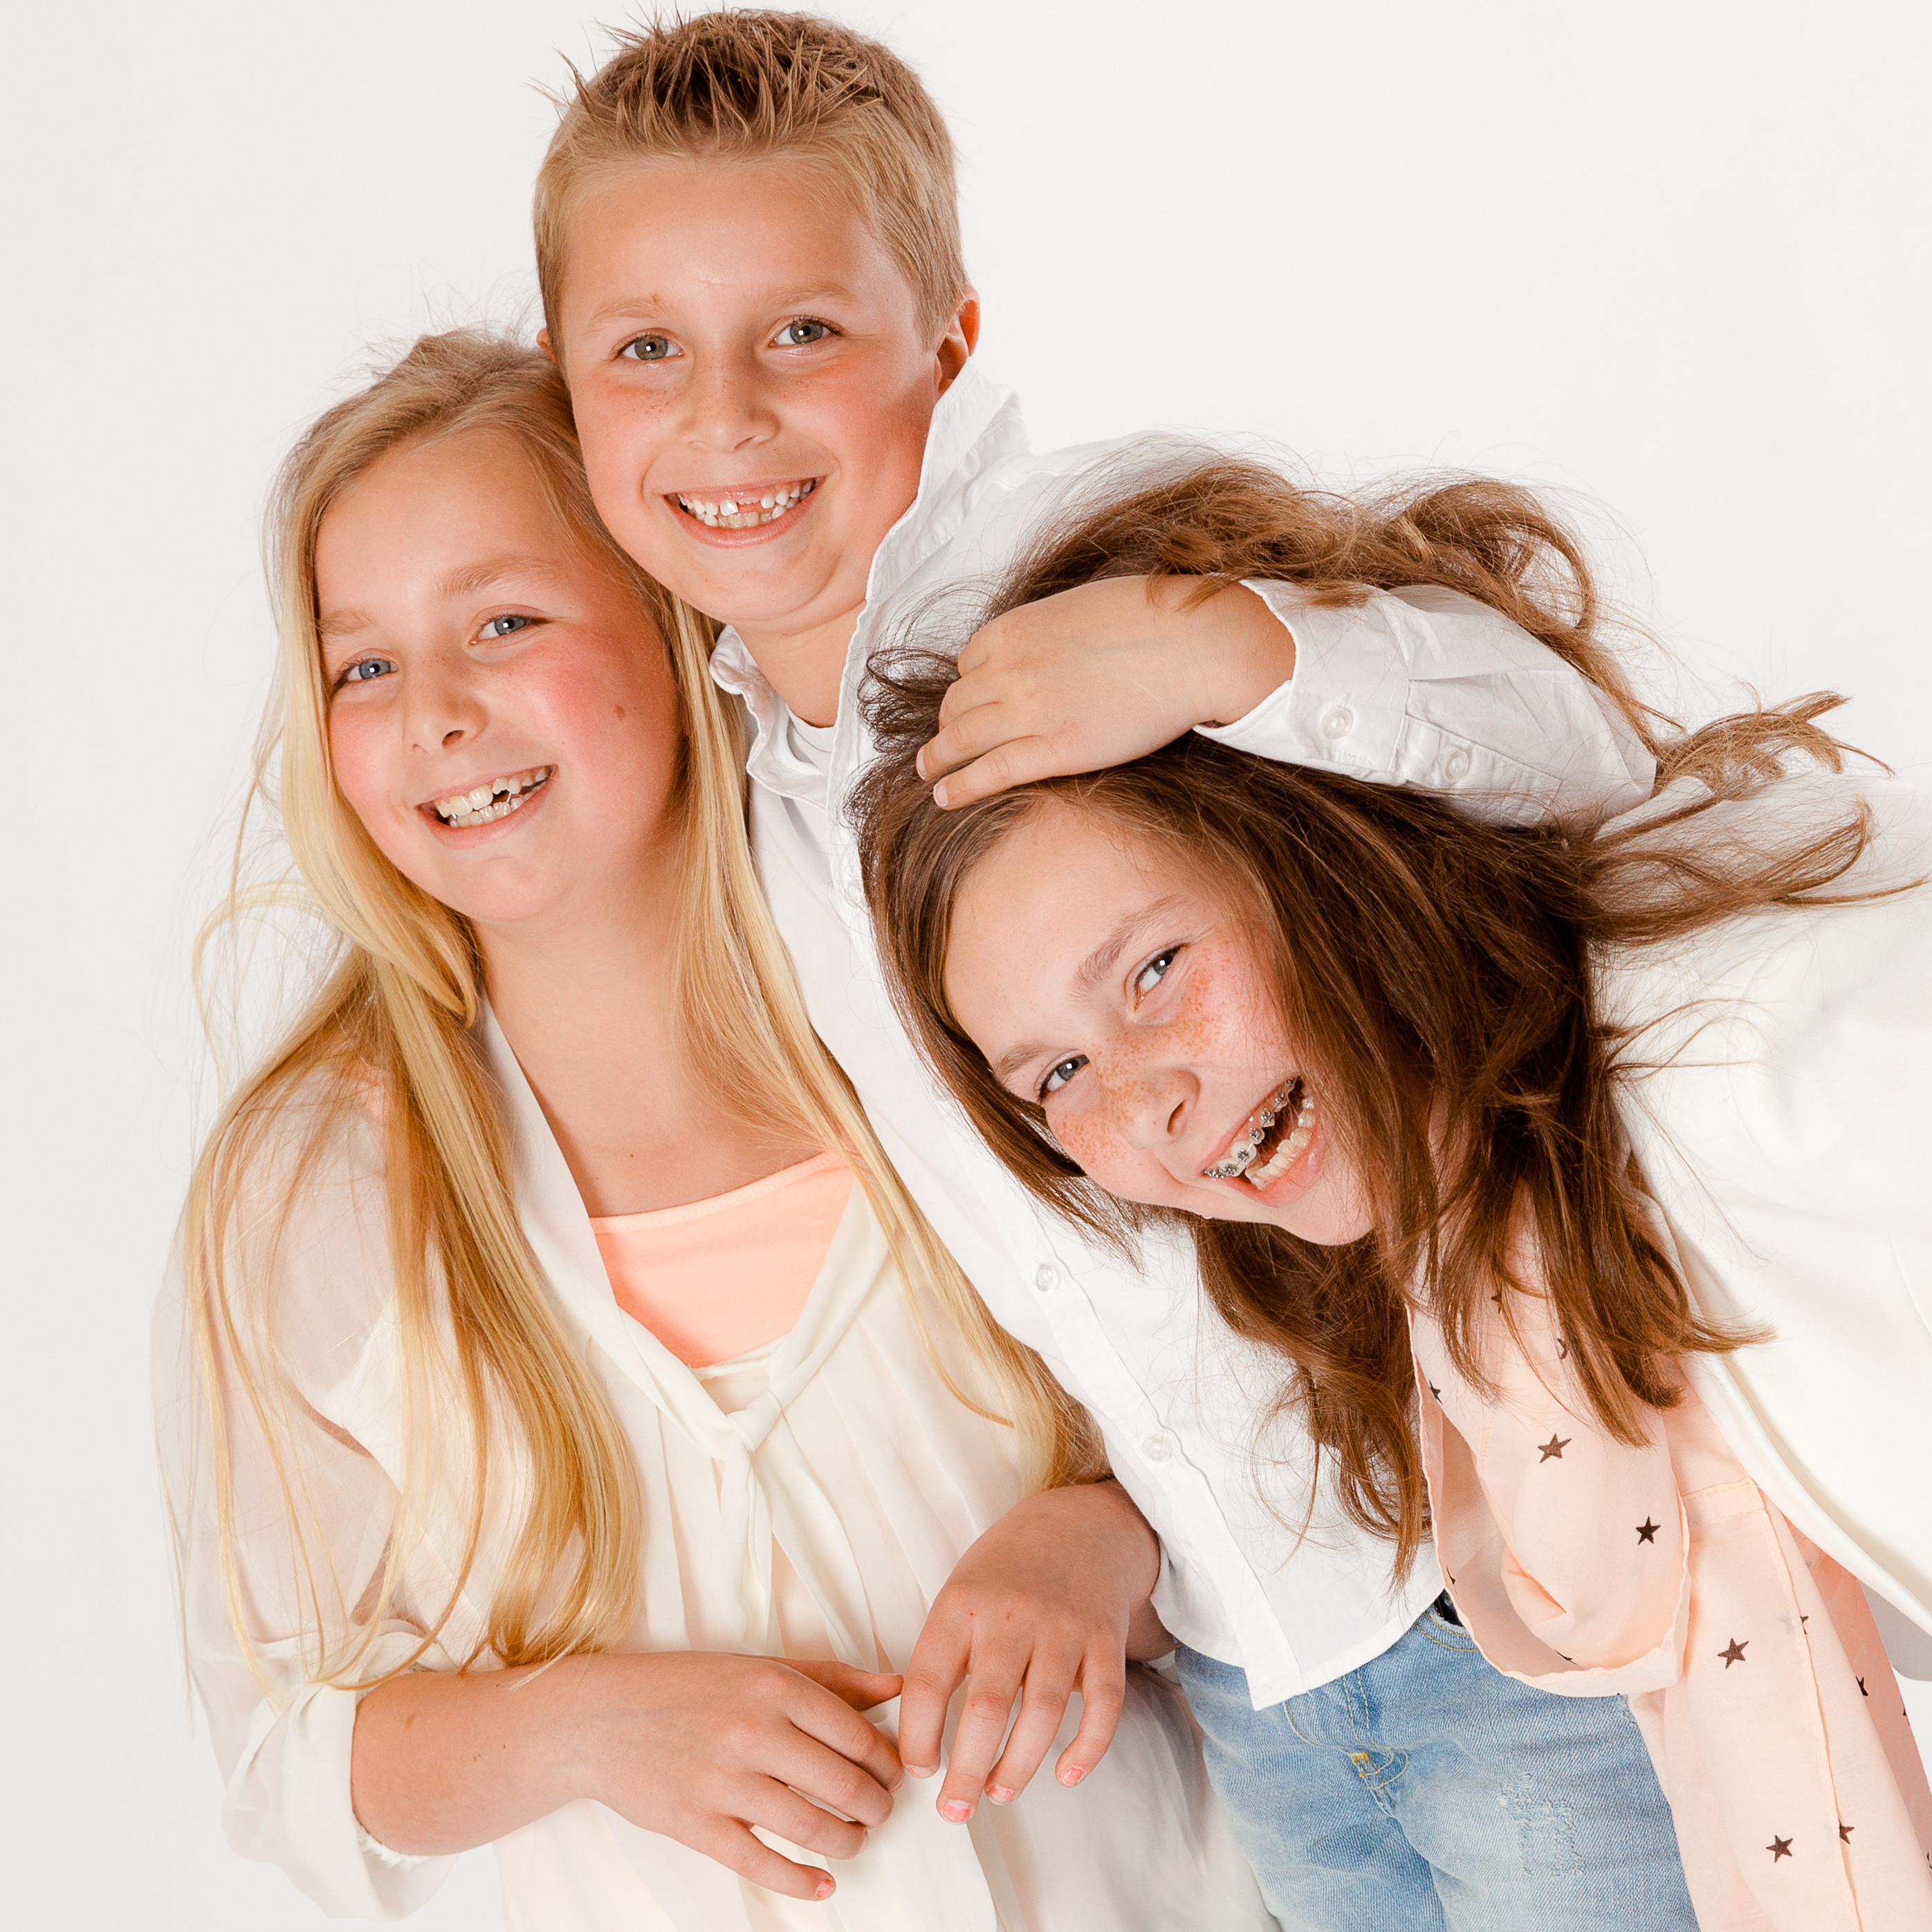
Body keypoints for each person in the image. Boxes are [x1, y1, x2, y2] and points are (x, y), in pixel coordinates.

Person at [531, 10, 1675, 1845]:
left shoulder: (1090, 562)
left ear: (949, 342)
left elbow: (1581, 756)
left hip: (1498, 1580)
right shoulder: (736, 794)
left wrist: (1237, 644)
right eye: (644, 349)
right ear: (571, 393)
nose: (724, 414)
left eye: (801, 333)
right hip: (1243, 1678)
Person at [153, 331, 1276, 1931]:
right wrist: (593, 1724)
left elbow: (1288, 1408)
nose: (438, 716)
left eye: (504, 621)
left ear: (671, 625)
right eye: (364, 665)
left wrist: (1101, 1545)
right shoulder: (313, 1186)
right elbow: (291, 1738)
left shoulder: (938, 1008)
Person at [848, 454, 1932, 1930]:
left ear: (1316, 847)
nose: (1145, 1103)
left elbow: (1561, 757)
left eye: (1156, 969)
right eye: (1054, 1077)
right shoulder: (1482, 1267)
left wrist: (1235, 652)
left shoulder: (1758, 1063)